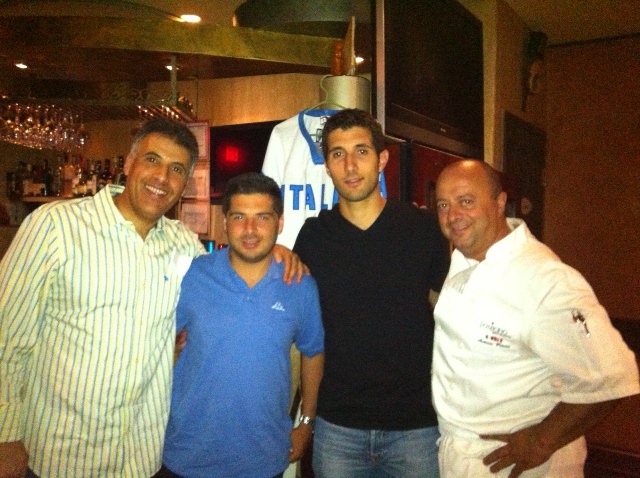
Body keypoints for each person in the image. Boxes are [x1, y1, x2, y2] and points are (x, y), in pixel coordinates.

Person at [0, 119, 303, 478]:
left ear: (186, 182)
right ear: (129, 163)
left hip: (142, 456)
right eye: (152, 160)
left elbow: (233, 270)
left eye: (177, 169)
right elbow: (8, 335)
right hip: (62, 453)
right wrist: (5, 434)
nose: (162, 177)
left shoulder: (184, 245)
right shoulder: (55, 226)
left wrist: (275, 251)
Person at [432, 159, 640, 478]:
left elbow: (611, 375)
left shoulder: (546, 280)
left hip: (515, 462)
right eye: (443, 205)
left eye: (466, 201)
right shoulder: (463, 260)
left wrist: (541, 442)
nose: (452, 215)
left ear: (500, 203)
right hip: (461, 451)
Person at [292, 108, 450, 478]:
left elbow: (449, 318)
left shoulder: (422, 229)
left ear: (382, 159)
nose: (350, 166)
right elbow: (300, 332)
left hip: (416, 426)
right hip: (337, 427)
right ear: (327, 166)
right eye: (338, 154)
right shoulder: (313, 237)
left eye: (361, 151)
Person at [158, 172, 324, 478]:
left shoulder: (300, 285)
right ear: (225, 222)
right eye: (238, 217)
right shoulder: (193, 275)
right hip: (186, 452)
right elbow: (155, 342)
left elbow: (313, 352)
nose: (249, 229)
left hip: (264, 456)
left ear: (280, 223)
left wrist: (306, 423)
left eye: (262, 217)